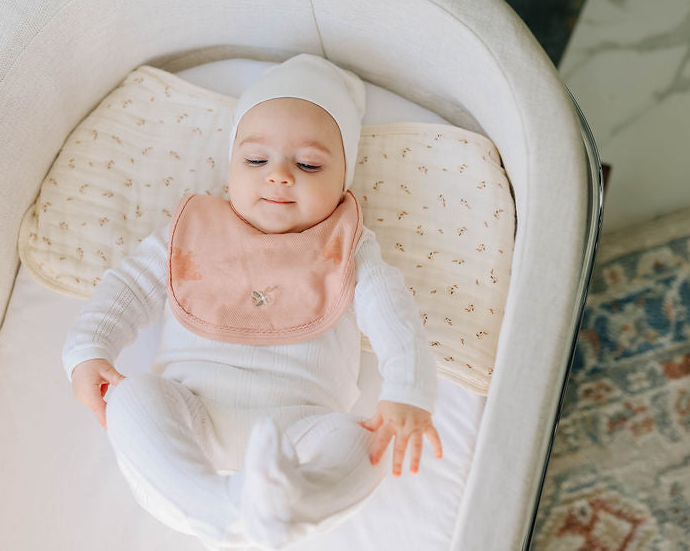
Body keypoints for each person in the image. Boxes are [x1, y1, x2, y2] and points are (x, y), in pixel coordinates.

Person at [63, 53, 442, 550]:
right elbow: (127, 288)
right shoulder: (193, 231)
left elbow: (395, 317)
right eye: (256, 160)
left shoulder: (346, 247)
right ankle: (214, 507)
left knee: (363, 440)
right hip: (190, 408)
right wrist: (88, 351)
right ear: (230, 166)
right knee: (131, 397)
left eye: (308, 164)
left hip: (304, 425)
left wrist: (409, 391)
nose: (279, 175)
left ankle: (290, 506)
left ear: (344, 180)